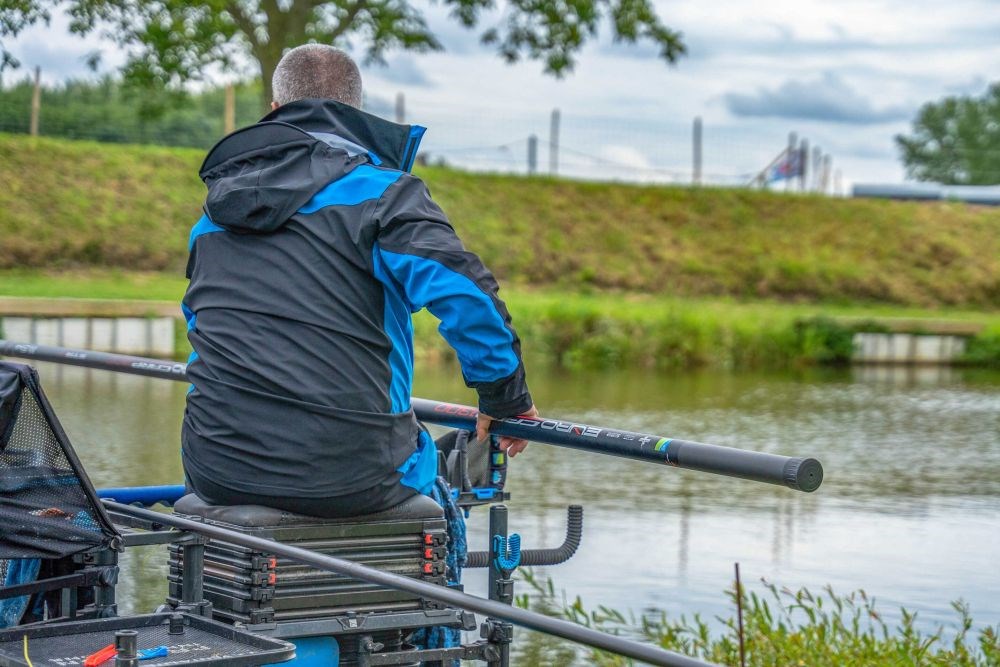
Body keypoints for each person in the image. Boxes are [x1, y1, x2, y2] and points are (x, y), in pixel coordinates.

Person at [180, 44, 537, 518]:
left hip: (214, 466)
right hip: (352, 474)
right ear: (355, 109)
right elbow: (466, 297)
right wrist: (505, 399)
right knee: (434, 465)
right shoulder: (384, 195)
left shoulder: (213, 215)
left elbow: (201, 325)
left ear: (275, 110)